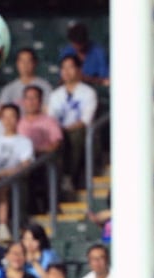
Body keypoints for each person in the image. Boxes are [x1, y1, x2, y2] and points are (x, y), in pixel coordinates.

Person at [48, 55, 98, 191]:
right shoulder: (55, 95)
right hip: (60, 133)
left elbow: (85, 120)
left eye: (70, 67)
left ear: (78, 69)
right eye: (63, 68)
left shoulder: (88, 92)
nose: (67, 71)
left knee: (75, 135)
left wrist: (65, 130)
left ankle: (69, 176)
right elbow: (51, 120)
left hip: (81, 133)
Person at [58, 23, 110, 87]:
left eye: (80, 43)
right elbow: (61, 78)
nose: (77, 47)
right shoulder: (66, 52)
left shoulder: (99, 52)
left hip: (94, 88)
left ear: (86, 41)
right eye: (74, 43)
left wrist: (85, 79)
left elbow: (105, 80)